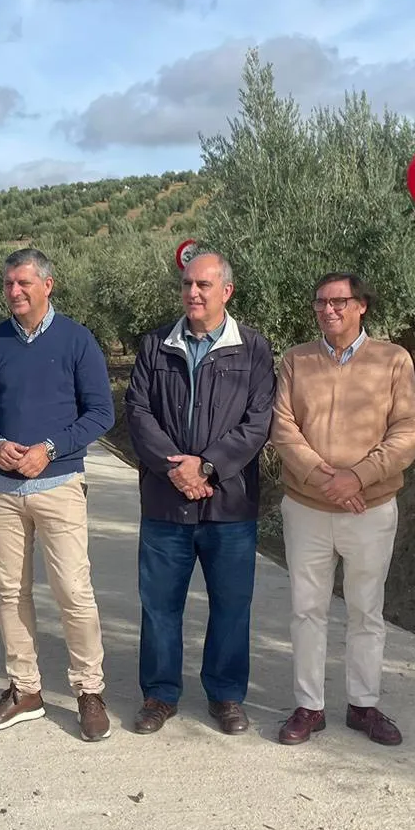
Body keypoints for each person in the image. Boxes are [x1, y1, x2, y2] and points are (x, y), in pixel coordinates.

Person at [0, 248, 115, 741]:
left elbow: (100, 413)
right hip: (1, 490)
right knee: (11, 593)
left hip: (59, 485)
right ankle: (25, 689)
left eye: (23, 283)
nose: (14, 292)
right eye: (8, 284)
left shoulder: (77, 341)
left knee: (74, 591)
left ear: (49, 285)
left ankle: (89, 691)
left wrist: (49, 448)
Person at [124, 252, 274, 736]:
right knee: (160, 605)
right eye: (188, 284)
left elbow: (258, 422)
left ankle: (226, 696)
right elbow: (138, 414)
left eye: (204, 285)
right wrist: (178, 470)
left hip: (229, 505)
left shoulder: (252, 348)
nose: (193, 293)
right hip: (166, 503)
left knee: (231, 605)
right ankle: (159, 696)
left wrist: (207, 466)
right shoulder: (155, 345)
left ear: (226, 291)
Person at [268, 272, 415, 747]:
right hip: (306, 507)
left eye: (338, 301)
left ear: (361, 306)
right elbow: (283, 429)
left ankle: (363, 705)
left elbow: (407, 432)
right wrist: (325, 479)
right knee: (307, 609)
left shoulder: (393, 361)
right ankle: (309, 707)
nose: (328, 309)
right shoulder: (295, 360)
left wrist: (358, 477)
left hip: (369, 508)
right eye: (320, 302)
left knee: (365, 610)